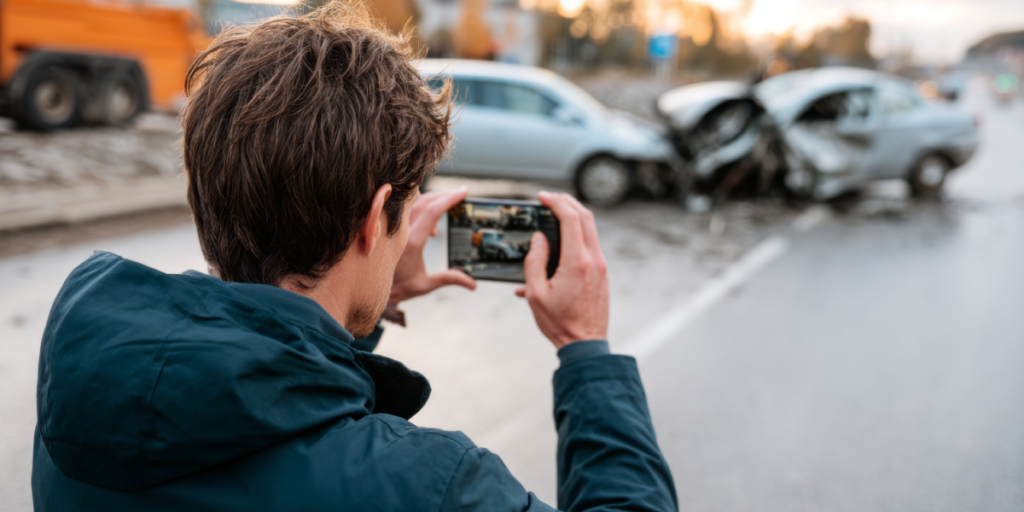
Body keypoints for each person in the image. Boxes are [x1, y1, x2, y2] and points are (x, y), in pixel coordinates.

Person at [31, 3, 676, 511]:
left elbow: (249, 397)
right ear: (374, 220)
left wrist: (372, 299)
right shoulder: (427, 485)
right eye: (400, 221)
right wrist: (586, 350)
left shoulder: (85, 383)